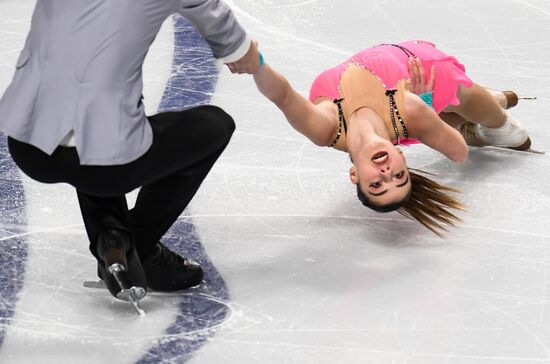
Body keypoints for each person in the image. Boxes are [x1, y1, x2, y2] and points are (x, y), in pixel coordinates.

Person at [0, 0, 260, 315]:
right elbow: (226, 35)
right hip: (108, 163)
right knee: (214, 126)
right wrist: (242, 50)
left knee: (95, 131)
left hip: (29, 143)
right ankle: (139, 244)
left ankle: (112, 239)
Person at [252, 40, 531, 236]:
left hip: (399, 73)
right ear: (401, 157)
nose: (386, 172)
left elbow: (283, 96)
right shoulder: (411, 110)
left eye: (376, 183)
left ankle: (489, 100)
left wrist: (257, 63)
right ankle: (500, 125)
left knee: (454, 102)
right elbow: (459, 153)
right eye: (399, 176)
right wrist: (427, 104)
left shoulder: (326, 129)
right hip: (418, 68)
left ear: (354, 174)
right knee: (455, 90)